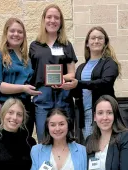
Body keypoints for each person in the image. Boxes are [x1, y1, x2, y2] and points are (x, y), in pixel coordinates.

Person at [61, 26, 121, 140]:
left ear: (105, 42)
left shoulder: (110, 63)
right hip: (85, 115)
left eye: (100, 38)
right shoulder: (81, 68)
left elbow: (105, 83)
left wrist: (79, 83)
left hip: (102, 114)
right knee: (89, 147)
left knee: (104, 146)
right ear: (87, 43)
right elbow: (77, 92)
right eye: (93, 38)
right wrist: (67, 86)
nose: (96, 41)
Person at [29, 4, 77, 142]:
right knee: (44, 139)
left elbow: (72, 74)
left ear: (61, 22)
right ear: (44, 20)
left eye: (57, 17)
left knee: (66, 139)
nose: (53, 20)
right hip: (42, 98)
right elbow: (31, 73)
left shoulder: (66, 45)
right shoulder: (34, 46)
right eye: (49, 17)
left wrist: (60, 79)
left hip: (63, 97)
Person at [0, 17, 41, 134]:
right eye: (12, 31)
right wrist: (23, 88)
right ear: (6, 33)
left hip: (25, 110)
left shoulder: (27, 59)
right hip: (5, 109)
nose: (16, 34)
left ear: (24, 35)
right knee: (7, 147)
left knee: (25, 146)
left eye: (20, 32)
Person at [86, 95, 128, 170]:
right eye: (100, 113)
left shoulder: (127, 137)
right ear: (95, 117)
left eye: (109, 113)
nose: (105, 117)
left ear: (115, 115)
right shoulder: (90, 140)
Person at [0, 98, 37, 170]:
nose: (14, 117)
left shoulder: (30, 142)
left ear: (23, 119)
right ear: (3, 114)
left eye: (19, 114)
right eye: (10, 112)